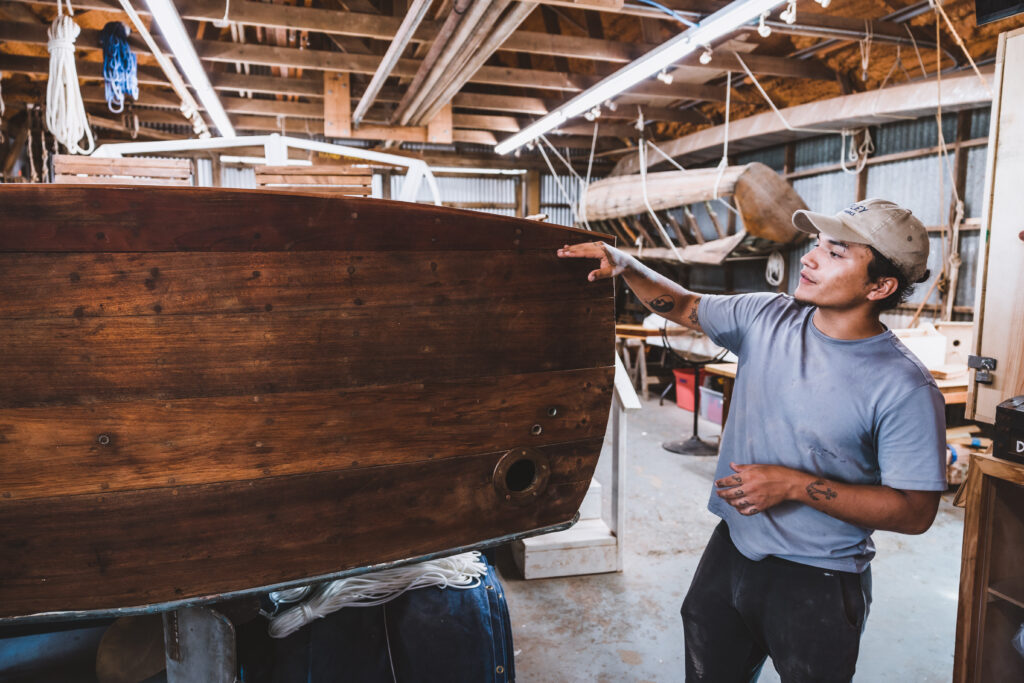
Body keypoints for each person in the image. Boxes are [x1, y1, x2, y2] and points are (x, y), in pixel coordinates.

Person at [557, 199, 947, 683]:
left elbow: (915, 512)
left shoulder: (904, 387)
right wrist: (626, 265)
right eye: (817, 244)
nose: (810, 258)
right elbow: (685, 305)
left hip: (819, 577)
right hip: (732, 548)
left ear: (880, 286)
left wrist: (795, 486)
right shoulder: (767, 317)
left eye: (836, 252)